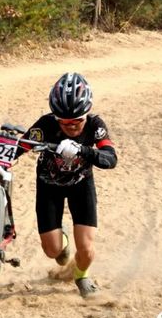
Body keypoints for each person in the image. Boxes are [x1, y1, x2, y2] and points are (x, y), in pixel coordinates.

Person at [17, 72, 117, 297]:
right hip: (48, 186)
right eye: (65, 122)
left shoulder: (95, 125)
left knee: (87, 249)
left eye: (78, 121)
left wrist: (84, 149)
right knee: (52, 250)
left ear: (87, 113)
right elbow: (20, 146)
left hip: (81, 186)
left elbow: (111, 158)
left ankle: (81, 276)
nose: (72, 126)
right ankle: (62, 243)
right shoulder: (45, 124)